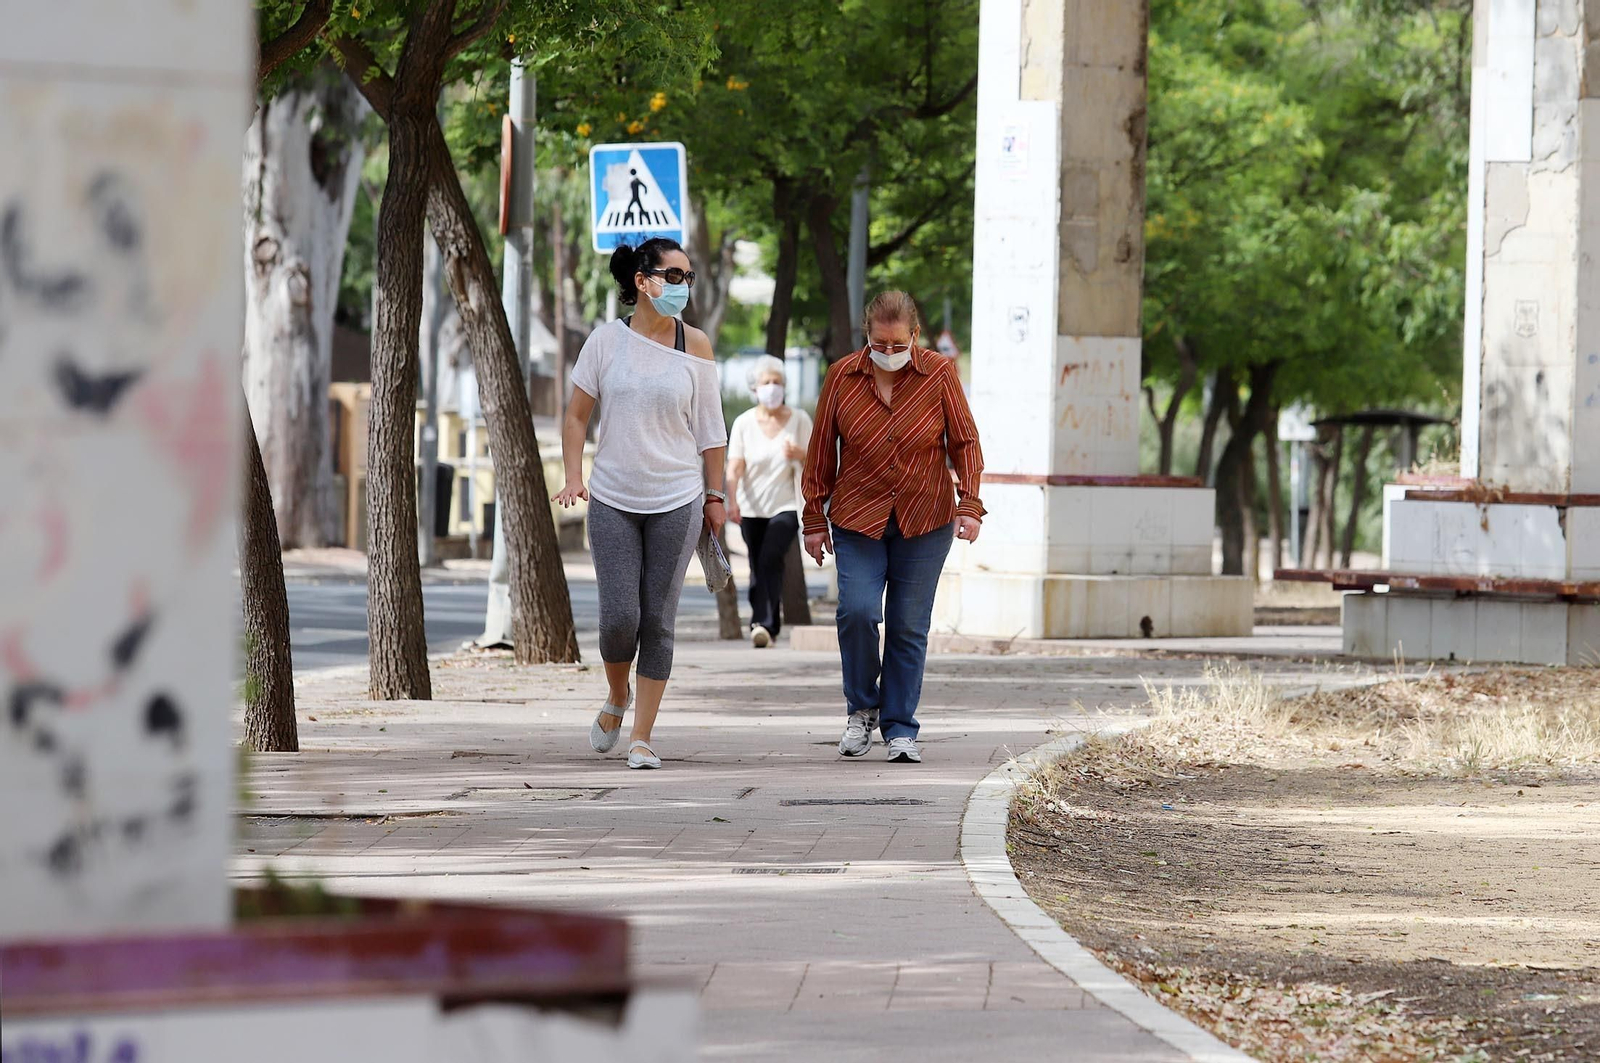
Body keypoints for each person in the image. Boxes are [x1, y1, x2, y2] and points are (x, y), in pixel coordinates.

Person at [554, 238, 727, 770]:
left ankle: (642, 736)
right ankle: (617, 694)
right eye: (673, 276)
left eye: (687, 278)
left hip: (678, 498)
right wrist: (574, 476)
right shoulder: (606, 341)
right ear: (642, 280)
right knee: (618, 618)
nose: (682, 286)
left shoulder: (695, 344)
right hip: (612, 498)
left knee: (658, 620)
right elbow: (576, 416)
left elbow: (711, 431)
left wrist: (715, 496)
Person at [801, 291, 984, 764]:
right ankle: (862, 708)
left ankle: (900, 727)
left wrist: (970, 503)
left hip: (926, 517)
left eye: (898, 343)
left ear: (915, 335)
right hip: (857, 516)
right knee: (858, 612)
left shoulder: (939, 373)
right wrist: (813, 518)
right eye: (879, 343)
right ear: (867, 334)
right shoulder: (842, 375)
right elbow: (821, 449)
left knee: (907, 625)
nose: (888, 351)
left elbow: (965, 442)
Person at [726, 356, 813, 648]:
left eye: (778, 382)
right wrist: (731, 500)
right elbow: (734, 466)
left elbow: (818, 461)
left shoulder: (800, 420)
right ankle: (765, 625)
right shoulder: (744, 423)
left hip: (786, 506)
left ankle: (763, 623)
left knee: (770, 558)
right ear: (755, 388)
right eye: (767, 382)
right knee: (758, 564)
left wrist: (800, 454)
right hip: (751, 508)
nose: (773, 387)